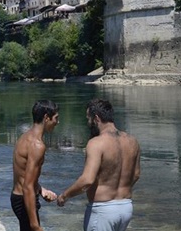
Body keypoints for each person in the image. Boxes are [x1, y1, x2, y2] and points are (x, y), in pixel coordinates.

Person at [57, 98, 141, 231]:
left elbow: (87, 180)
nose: (88, 123)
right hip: (126, 207)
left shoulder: (96, 143)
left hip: (102, 210)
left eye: (88, 119)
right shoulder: (132, 141)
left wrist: (64, 196)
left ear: (96, 118)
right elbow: (136, 174)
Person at [11, 100, 60, 231]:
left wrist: (40, 189)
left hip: (18, 198)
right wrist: (35, 226)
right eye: (56, 118)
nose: (57, 122)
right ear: (46, 117)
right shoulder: (37, 146)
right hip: (24, 199)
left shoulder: (25, 137)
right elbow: (27, 186)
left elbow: (23, 175)